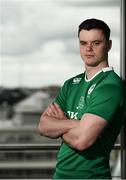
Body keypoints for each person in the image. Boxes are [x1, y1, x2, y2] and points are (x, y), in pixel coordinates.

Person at [38, 18, 125, 179]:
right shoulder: (71, 84)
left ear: (109, 45)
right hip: (59, 176)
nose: (89, 49)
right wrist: (74, 124)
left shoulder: (110, 86)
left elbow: (82, 141)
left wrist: (60, 123)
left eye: (96, 43)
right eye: (83, 43)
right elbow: (43, 125)